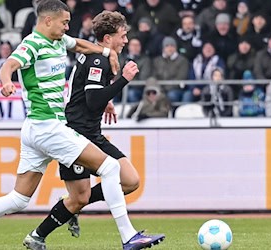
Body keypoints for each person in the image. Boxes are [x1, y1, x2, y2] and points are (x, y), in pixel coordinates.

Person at [0, 1, 152, 250]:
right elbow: (9, 65)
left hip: (35, 129)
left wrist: (107, 53)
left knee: (18, 199)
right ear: (48, 21)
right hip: (49, 126)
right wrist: (6, 81)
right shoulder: (32, 44)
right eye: (64, 22)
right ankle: (129, 237)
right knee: (110, 168)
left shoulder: (59, 40)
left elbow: (80, 44)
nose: (68, 26)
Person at [24, 10, 165, 250]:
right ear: (108, 38)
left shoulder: (98, 57)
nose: (126, 40)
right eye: (122, 35)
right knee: (79, 199)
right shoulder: (98, 59)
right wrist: (123, 80)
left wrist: (105, 100)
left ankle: (62, 216)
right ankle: (37, 236)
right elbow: (91, 100)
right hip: (76, 135)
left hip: (92, 132)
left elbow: (87, 93)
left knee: (130, 181)